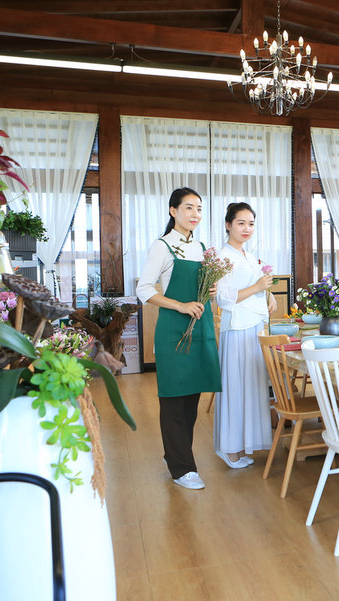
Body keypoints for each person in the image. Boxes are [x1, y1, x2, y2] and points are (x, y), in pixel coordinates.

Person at [136, 187, 221, 490]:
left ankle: (175, 454)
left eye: (199, 208)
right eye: (188, 208)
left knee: (191, 398)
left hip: (200, 329)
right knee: (174, 398)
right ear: (173, 211)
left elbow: (205, 290)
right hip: (173, 330)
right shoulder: (162, 246)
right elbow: (144, 289)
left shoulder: (201, 248)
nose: (195, 214)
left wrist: (211, 291)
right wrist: (180, 305)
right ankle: (182, 468)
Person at [213, 202, 277, 469]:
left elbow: (257, 287)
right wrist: (258, 287)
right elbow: (224, 299)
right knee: (235, 388)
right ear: (228, 225)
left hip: (254, 326)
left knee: (252, 388)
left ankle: (243, 444)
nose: (246, 228)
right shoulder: (222, 257)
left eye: (251, 223)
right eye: (241, 223)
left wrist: (269, 295)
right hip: (238, 328)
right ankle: (229, 449)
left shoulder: (249, 256)